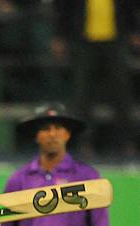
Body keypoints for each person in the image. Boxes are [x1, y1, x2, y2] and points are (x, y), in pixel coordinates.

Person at [51, 0, 139, 155]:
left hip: (116, 39)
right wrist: (59, 36)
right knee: (82, 94)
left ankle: (127, 142)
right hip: (83, 40)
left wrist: (133, 31)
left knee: (122, 93)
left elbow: (129, 7)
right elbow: (64, 9)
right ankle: (85, 142)